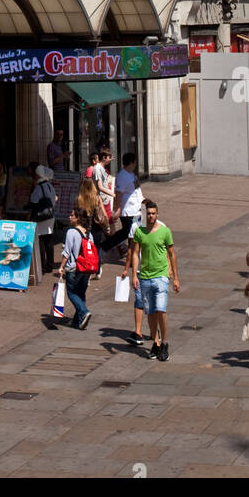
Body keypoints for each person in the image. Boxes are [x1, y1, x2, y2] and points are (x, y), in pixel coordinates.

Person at [129, 200, 180, 362]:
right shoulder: (140, 232)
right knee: (150, 312)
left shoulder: (165, 231)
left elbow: (172, 253)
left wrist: (175, 278)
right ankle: (156, 343)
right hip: (145, 277)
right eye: (148, 214)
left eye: (153, 213)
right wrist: (134, 275)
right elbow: (135, 253)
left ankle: (164, 342)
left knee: (161, 309)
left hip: (161, 276)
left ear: (157, 214)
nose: (150, 216)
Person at [57, 206, 96, 330]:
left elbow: (67, 252)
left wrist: (61, 267)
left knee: (72, 293)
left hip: (74, 267)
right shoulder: (89, 233)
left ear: (78, 218)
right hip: (86, 268)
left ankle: (84, 312)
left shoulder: (71, 232)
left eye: (72, 215)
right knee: (81, 293)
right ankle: (77, 320)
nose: (70, 217)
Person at [104, 154, 143, 254]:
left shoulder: (131, 174)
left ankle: (133, 255)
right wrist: (118, 209)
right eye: (134, 162)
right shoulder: (122, 176)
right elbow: (119, 193)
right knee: (127, 233)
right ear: (131, 163)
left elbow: (136, 189)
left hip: (136, 208)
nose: (135, 164)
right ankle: (105, 246)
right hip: (128, 211)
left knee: (132, 233)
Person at [76, 173, 109, 278]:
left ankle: (86, 269)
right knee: (97, 248)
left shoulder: (78, 199)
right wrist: (107, 226)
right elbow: (103, 213)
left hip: (83, 227)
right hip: (96, 226)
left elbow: (75, 214)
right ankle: (97, 270)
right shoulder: (97, 198)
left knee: (84, 248)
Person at [30, 165, 58, 274]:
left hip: (41, 217)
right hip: (50, 216)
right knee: (49, 241)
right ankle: (50, 264)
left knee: (40, 240)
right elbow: (54, 200)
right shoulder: (50, 185)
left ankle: (41, 265)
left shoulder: (39, 187)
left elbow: (33, 201)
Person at [93, 148, 115, 221]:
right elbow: (100, 187)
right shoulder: (97, 168)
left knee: (109, 222)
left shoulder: (102, 168)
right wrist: (112, 194)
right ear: (104, 158)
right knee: (105, 223)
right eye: (109, 158)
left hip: (105, 199)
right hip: (101, 201)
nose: (110, 160)